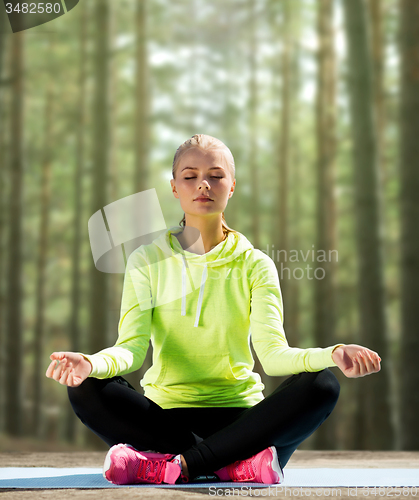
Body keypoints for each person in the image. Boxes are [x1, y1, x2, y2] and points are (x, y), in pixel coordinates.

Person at [46, 134, 381, 486]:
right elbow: (130, 350)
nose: (203, 184)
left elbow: (274, 356)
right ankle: (230, 466)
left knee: (323, 384)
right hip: (165, 420)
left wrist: (334, 353)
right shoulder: (146, 260)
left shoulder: (256, 265)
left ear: (232, 186)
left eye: (216, 176)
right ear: (174, 188)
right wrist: (90, 363)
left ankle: (172, 466)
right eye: (190, 176)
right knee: (85, 387)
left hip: (244, 424)